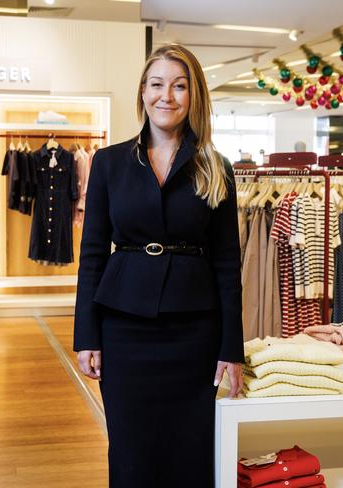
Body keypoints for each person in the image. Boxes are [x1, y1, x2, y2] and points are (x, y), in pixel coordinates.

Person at [73, 44, 244, 487]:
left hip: (195, 335)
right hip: (124, 329)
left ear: (194, 96)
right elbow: (92, 255)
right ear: (143, 93)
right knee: (131, 451)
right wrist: (86, 335)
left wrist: (231, 348)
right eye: (156, 84)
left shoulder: (217, 168)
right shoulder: (109, 163)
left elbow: (228, 263)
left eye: (179, 85)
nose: (166, 96)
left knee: (192, 451)